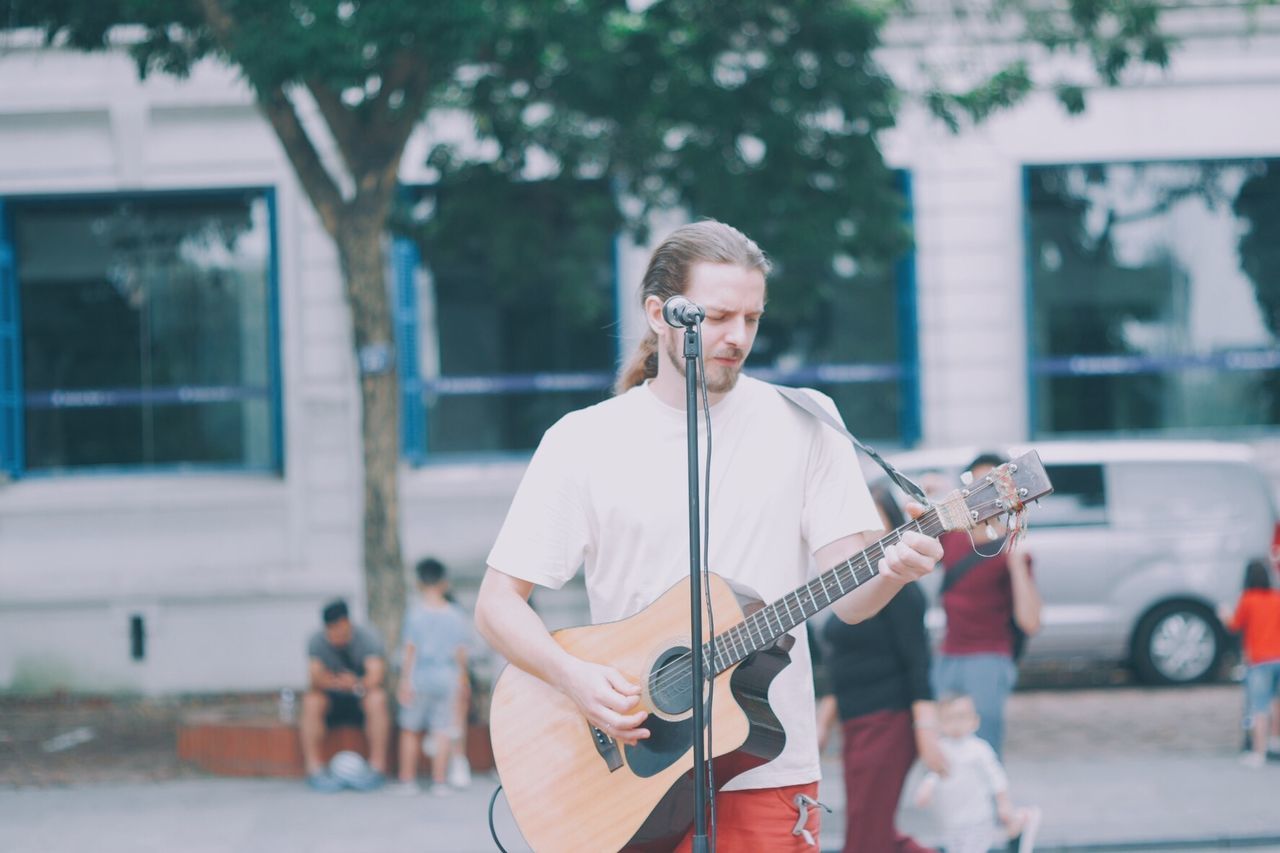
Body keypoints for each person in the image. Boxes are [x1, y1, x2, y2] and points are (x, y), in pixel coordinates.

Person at [474, 219, 944, 851]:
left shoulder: (806, 420)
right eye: (719, 317)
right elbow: (497, 604)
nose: (737, 337)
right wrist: (573, 678)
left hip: (765, 768)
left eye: (751, 318)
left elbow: (853, 599)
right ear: (660, 313)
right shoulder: (581, 441)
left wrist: (894, 570)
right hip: (629, 781)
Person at [817, 484, 948, 853]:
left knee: (865, 838)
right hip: (856, 726)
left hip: (887, 723)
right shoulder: (852, 587)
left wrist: (927, 733)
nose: (866, 533)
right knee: (873, 833)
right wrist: (823, 722)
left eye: (875, 522)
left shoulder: (901, 589)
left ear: (894, 525)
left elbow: (918, 662)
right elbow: (842, 661)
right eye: (858, 523)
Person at [932, 452, 1042, 759]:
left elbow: (1031, 622)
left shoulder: (1012, 546)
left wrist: (1018, 566)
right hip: (948, 657)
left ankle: (992, 807)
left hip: (988, 659)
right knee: (947, 750)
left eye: (995, 485)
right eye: (979, 485)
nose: (986, 493)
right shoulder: (952, 538)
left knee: (983, 750)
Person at [912, 693, 1040, 853]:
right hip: (950, 819)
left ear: (975, 721)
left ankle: (1017, 824)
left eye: (961, 717)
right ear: (940, 724)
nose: (956, 724)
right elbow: (935, 774)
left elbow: (996, 777)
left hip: (977, 817)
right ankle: (1018, 823)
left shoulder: (978, 750)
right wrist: (926, 789)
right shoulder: (941, 749)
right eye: (949, 719)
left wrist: (1003, 802)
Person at [392, 557, 473, 795]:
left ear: (418, 583)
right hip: (447, 677)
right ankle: (439, 781)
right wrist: (463, 680)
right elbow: (461, 653)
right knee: (443, 729)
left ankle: (407, 780)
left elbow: (410, 650)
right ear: (444, 583)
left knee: (410, 729)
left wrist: (404, 681)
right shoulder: (456, 615)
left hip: (420, 676)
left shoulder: (415, 615)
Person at [300, 599, 390, 791]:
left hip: (360, 695)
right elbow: (314, 677)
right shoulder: (316, 641)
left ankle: (377, 767)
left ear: (348, 623)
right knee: (311, 701)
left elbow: (375, 676)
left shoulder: (368, 637)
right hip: (331, 697)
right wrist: (334, 682)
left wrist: (355, 684)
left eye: (339, 630)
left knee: (377, 698)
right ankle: (314, 768)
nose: (335, 636)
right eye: (331, 631)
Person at [1221, 559, 1280, 768]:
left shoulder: (1248, 599)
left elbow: (1235, 625)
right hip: (1279, 657)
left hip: (1259, 660)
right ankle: (1275, 742)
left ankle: (1259, 751)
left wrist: (1224, 614)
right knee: (1277, 703)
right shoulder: (1276, 598)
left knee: (1259, 707)